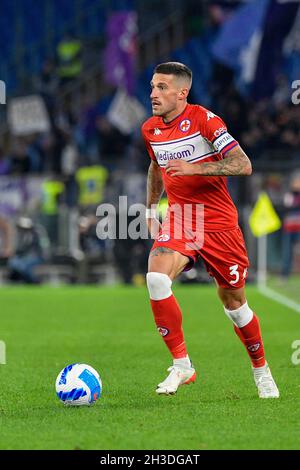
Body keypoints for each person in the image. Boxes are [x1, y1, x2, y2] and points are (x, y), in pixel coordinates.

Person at [141, 62, 279, 398]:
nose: (153, 94)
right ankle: (182, 364)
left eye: (161, 88)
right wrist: (149, 208)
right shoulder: (150, 129)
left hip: (218, 224)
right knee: (157, 278)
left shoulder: (205, 120)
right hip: (182, 218)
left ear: (181, 92)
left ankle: (261, 371)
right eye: (152, 86)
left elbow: (243, 164)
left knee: (235, 306)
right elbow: (156, 167)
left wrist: (194, 168)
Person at [281, 173, 300, 279]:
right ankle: (285, 274)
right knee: (287, 252)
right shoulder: (289, 195)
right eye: (295, 183)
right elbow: (287, 207)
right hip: (289, 228)